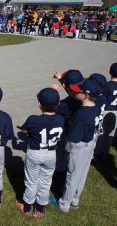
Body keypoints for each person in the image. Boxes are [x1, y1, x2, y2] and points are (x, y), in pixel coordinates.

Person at [53, 79, 101, 213]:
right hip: (90, 144)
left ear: (85, 95)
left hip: (79, 146)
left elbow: (73, 137)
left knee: (72, 175)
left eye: (78, 91)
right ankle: (75, 200)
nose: (75, 91)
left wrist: (68, 146)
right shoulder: (95, 107)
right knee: (81, 174)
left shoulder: (81, 113)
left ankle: (64, 204)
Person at [15, 88, 64, 217]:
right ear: (57, 105)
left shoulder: (33, 119)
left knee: (31, 181)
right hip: (51, 153)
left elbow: (25, 129)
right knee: (46, 181)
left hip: (35, 153)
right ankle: (39, 209)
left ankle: (26, 208)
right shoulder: (60, 119)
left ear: (39, 105)